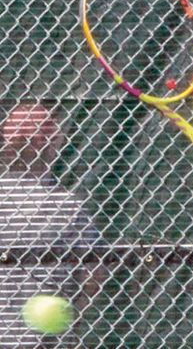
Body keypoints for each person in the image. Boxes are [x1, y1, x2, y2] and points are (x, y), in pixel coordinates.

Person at [0, 102, 100, 348]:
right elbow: (93, 276)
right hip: (47, 340)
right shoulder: (66, 206)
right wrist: (71, 314)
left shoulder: (67, 205)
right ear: (52, 143)